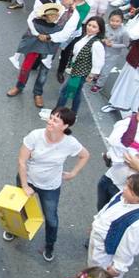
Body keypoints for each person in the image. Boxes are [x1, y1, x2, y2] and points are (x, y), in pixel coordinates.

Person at [15, 106, 90, 261]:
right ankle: (15, 230)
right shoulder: (35, 135)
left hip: (50, 186)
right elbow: (22, 161)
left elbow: (85, 155)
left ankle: (49, 245)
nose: (50, 122)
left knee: (51, 219)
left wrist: (73, 173)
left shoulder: (70, 143)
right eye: (51, 118)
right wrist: (24, 185)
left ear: (65, 126)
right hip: (27, 179)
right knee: (19, 209)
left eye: (56, 120)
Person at [87, 173, 139, 278]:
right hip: (97, 242)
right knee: (92, 266)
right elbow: (106, 209)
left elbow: (129, 248)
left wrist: (117, 267)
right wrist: (95, 223)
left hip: (106, 253)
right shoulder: (122, 196)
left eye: (128, 188)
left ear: (138, 196)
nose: (124, 188)